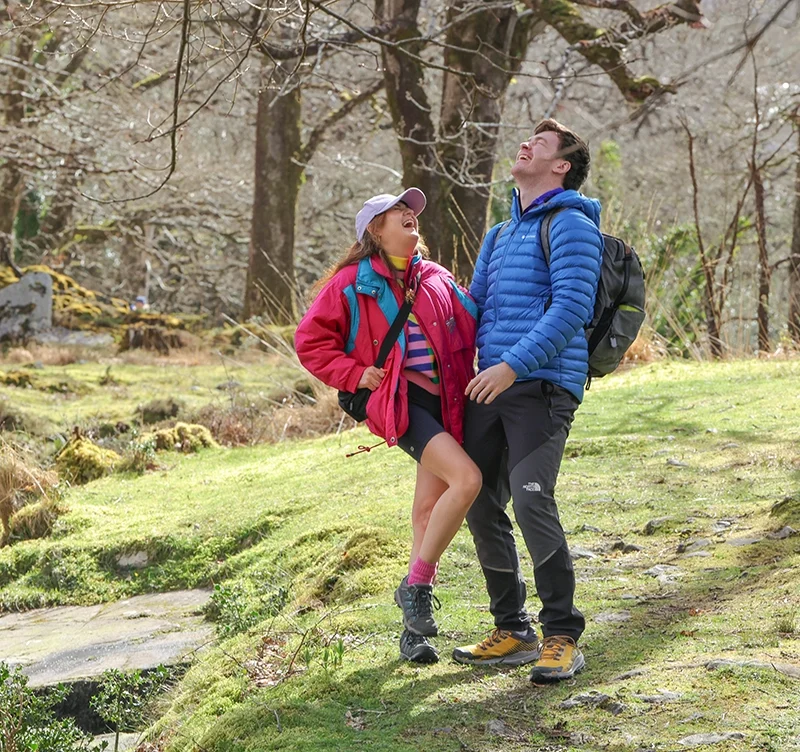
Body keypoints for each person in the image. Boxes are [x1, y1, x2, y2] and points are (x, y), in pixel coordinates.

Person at [295, 188, 481, 664]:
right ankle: (416, 586)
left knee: (425, 510)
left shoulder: (437, 278)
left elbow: (476, 321)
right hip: (405, 401)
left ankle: (412, 636)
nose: (408, 216)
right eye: (396, 213)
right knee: (467, 480)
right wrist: (356, 374)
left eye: (411, 211)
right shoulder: (351, 284)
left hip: (450, 402)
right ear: (374, 231)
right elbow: (311, 342)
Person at [452, 119, 603, 681]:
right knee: (474, 496)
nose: (525, 145)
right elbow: (473, 310)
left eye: (539, 143)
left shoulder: (571, 226)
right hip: (489, 384)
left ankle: (561, 635)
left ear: (561, 165)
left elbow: (570, 311)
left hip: (540, 386)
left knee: (530, 497)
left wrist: (513, 367)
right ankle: (512, 629)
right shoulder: (500, 233)